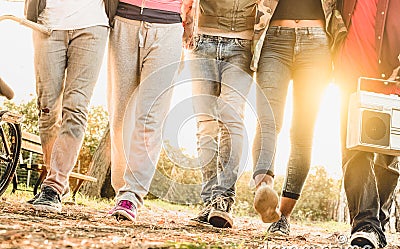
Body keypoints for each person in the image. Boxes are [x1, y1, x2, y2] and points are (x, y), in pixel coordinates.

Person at [251, 0, 336, 235]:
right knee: (268, 120)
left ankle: (283, 216)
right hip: (274, 38)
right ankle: (264, 190)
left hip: (317, 43)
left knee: (302, 131)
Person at [24, 0, 118, 213]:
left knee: (76, 107)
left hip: (92, 26)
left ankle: (54, 185)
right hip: (47, 24)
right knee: (47, 108)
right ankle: (53, 179)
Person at [107, 0, 193, 222]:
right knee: (119, 118)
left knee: (150, 118)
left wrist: (192, 20)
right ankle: (120, 188)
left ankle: (131, 194)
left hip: (168, 27)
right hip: (124, 21)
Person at [335, 0, 400, 249]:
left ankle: (374, 224)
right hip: (350, 79)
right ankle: (365, 224)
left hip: (390, 80)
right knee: (354, 151)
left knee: (388, 158)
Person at [186, 0, 256, 228]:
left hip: (242, 43)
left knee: (231, 119)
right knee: (205, 123)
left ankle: (223, 199)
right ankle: (208, 201)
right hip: (202, 39)